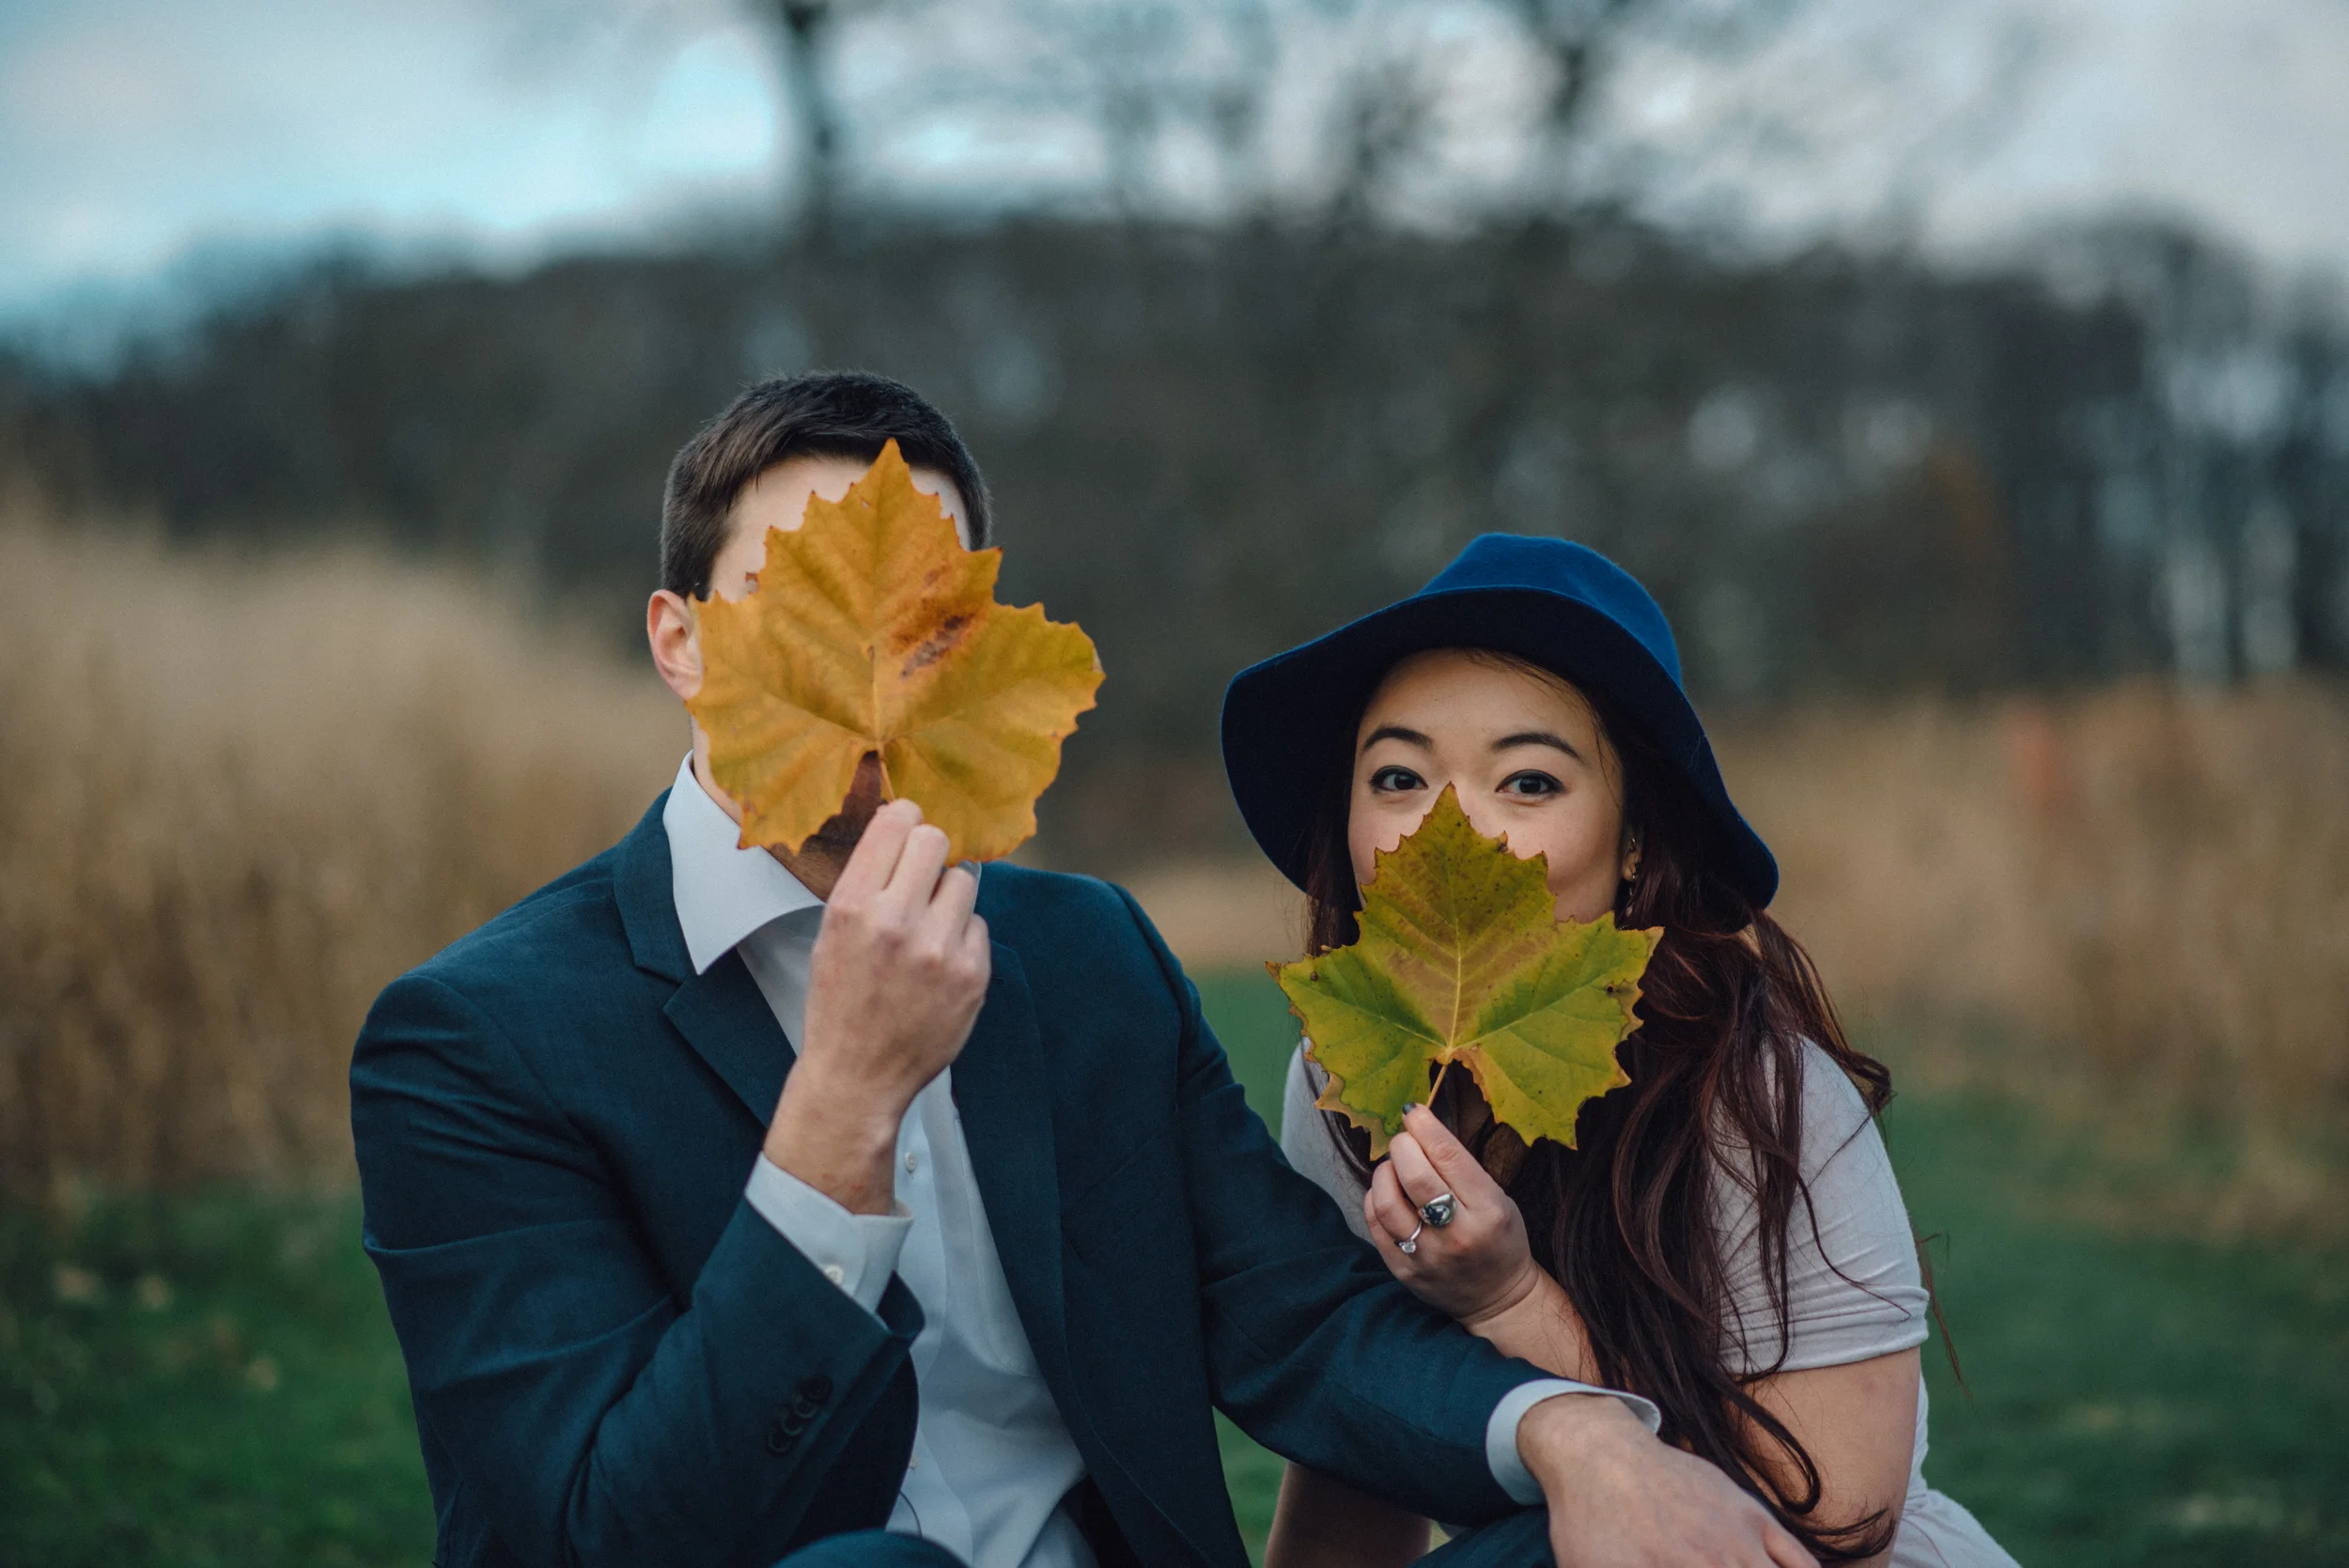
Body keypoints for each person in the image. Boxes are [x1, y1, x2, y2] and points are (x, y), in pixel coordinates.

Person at [350, 372, 1818, 1568]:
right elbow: (599, 1537)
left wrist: (1574, 1436)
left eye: (927, 617)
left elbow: (1298, 1315)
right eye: (802, 604)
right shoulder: (479, 1039)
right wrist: (841, 1106)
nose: (875, 662)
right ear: (678, 640)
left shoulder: (1083, 956)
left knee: (1577, 1535)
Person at [1218, 535, 2018, 1568]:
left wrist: (1510, 1302)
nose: (1450, 830)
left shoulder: (1756, 1092)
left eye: (1529, 783)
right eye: (1401, 775)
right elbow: (1358, 1440)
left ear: (1635, 839)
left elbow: (1833, 1531)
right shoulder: (1345, 1077)